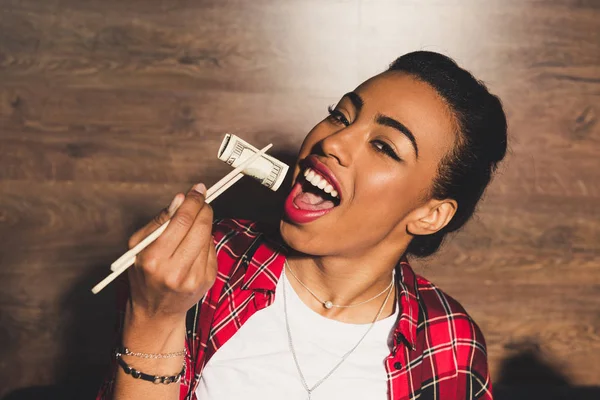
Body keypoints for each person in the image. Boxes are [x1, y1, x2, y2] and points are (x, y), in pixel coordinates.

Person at [97, 51, 507, 400]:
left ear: (429, 215)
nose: (333, 142)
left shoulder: (449, 344)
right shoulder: (206, 265)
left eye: (383, 146)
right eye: (341, 117)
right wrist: (152, 320)